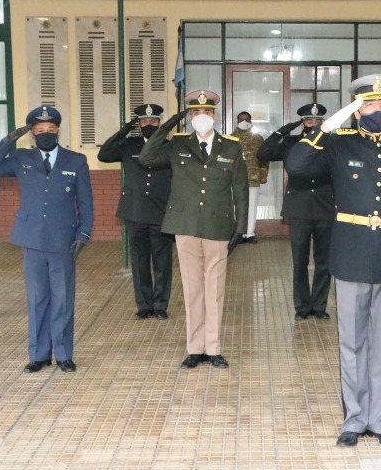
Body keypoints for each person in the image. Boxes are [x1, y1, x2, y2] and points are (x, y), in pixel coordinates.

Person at [285, 74, 381, 448]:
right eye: (369, 104)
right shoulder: (339, 144)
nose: (379, 110)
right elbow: (297, 166)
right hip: (350, 253)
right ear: (355, 109)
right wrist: (327, 126)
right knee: (351, 343)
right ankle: (353, 418)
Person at [140, 90, 248, 369]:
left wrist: (241, 227)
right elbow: (147, 157)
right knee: (192, 289)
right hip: (185, 224)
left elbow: (241, 189)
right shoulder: (177, 144)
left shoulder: (231, 146)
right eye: (196, 113)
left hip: (217, 223)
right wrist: (165, 126)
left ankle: (212, 348)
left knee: (214, 290)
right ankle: (194, 348)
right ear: (189, 117)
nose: (202, 117)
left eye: (207, 112)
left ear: (215, 115)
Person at [0, 106, 93, 374]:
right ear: (32, 133)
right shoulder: (21, 157)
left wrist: (84, 233)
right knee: (37, 298)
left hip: (63, 240)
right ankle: (39, 354)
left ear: (58, 132)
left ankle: (64, 354)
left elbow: (86, 201)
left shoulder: (75, 160)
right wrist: (9, 139)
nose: (46, 134)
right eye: (40, 130)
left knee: (63, 298)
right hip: (32, 238)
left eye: (51, 130)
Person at [257, 102, 334, 320]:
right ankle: (302, 306)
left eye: (318, 122)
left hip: (325, 206)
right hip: (299, 207)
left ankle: (319, 306)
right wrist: (283, 130)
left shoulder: (332, 142)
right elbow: (263, 153)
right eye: (309, 121)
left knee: (323, 261)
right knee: (299, 260)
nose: (314, 125)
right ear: (302, 123)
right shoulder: (291, 142)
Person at [97, 103, 174, 319]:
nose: (148, 124)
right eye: (144, 121)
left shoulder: (169, 146)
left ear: (160, 123)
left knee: (162, 261)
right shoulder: (128, 145)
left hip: (161, 211)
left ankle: (160, 306)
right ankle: (144, 306)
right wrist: (124, 129)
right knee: (139, 262)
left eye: (153, 121)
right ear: (138, 124)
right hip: (135, 211)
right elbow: (103, 155)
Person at [232, 111, 267, 244]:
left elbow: (264, 158)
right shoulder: (230, 138)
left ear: (251, 122)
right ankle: (237, 233)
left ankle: (249, 233)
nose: (244, 122)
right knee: (237, 206)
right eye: (241, 119)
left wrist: (263, 175)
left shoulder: (258, 138)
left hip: (253, 178)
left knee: (252, 205)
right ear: (237, 121)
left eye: (247, 119)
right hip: (234, 179)